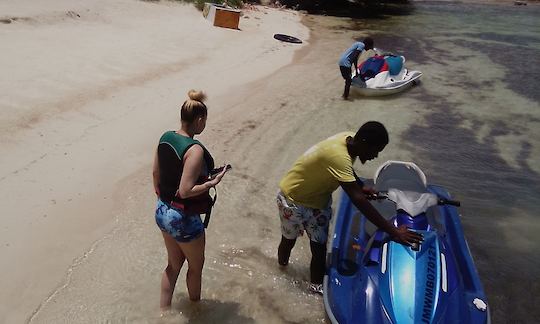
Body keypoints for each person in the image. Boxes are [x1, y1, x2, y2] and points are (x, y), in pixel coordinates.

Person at [276, 121, 422, 294]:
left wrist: (359, 185)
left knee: (319, 248)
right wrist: (394, 231)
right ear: (363, 142)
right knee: (289, 241)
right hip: (293, 199)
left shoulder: (350, 140)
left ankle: (316, 289)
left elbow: (346, 171)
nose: (375, 156)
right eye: (375, 150)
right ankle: (282, 270)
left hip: (318, 203)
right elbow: (358, 200)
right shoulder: (338, 155)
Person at [152, 90, 229, 311]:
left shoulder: (165, 137)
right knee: (196, 267)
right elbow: (186, 191)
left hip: (162, 210)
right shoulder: (194, 150)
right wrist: (212, 183)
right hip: (182, 217)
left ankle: (163, 313)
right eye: (205, 120)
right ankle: (196, 310)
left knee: (173, 265)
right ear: (199, 119)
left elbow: (156, 174)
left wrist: (163, 201)